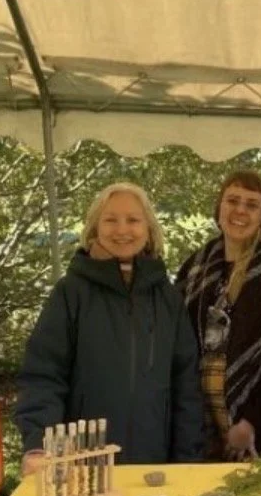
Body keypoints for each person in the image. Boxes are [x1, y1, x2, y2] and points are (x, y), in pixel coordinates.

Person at [15, 182, 204, 470]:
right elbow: (43, 375)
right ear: (95, 228)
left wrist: (187, 461)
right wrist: (39, 444)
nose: (122, 229)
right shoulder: (71, 293)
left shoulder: (168, 298)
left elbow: (186, 386)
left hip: (153, 464)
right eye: (111, 220)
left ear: (149, 229)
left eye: (133, 220)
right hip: (81, 462)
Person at [176, 171, 261, 460]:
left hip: (254, 428)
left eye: (252, 204)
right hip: (196, 421)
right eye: (232, 201)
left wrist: (251, 421)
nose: (240, 210)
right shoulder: (196, 267)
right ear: (219, 208)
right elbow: (176, 343)